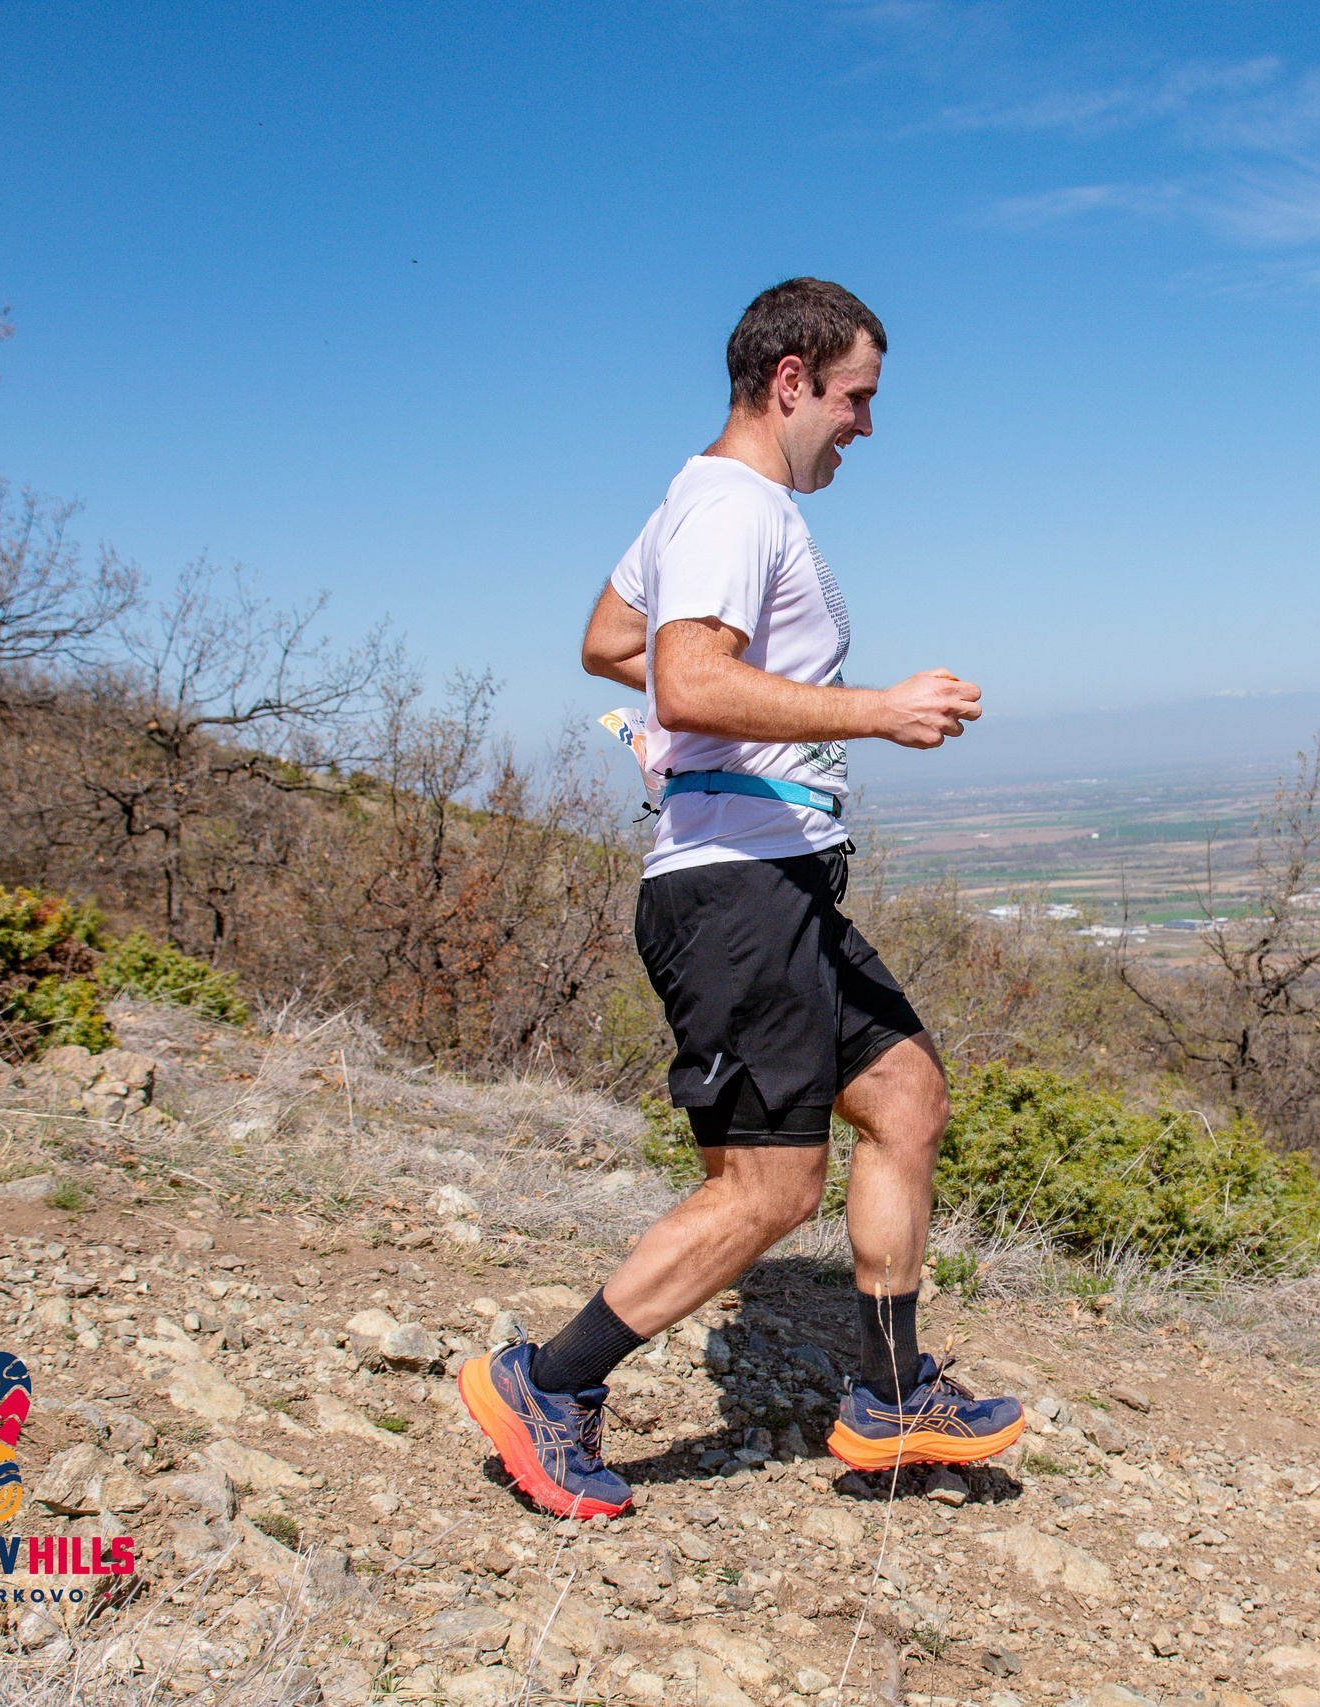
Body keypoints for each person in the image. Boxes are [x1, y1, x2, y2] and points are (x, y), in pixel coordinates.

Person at [456, 278, 1023, 1519]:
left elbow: (614, 643)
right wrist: (873, 710)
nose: (865, 426)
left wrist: (714, 687)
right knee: (768, 1190)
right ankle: (550, 1385)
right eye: (856, 398)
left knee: (908, 1096)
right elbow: (685, 679)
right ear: (791, 382)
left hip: (778, 877)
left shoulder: (696, 504)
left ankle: (887, 1397)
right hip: (733, 888)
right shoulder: (733, 506)